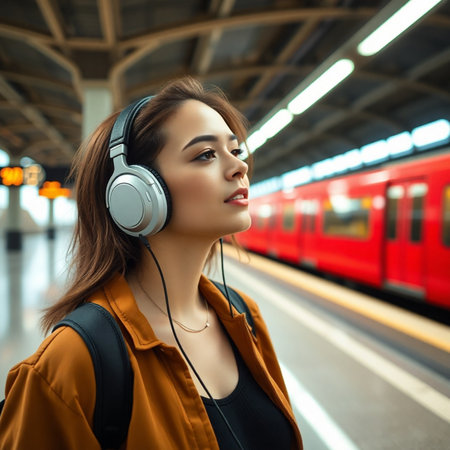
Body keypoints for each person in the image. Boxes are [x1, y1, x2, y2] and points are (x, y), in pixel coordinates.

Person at [0, 77, 302, 449]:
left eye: (235, 151)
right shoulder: (71, 363)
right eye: (205, 154)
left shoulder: (244, 316)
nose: (238, 168)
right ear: (136, 193)